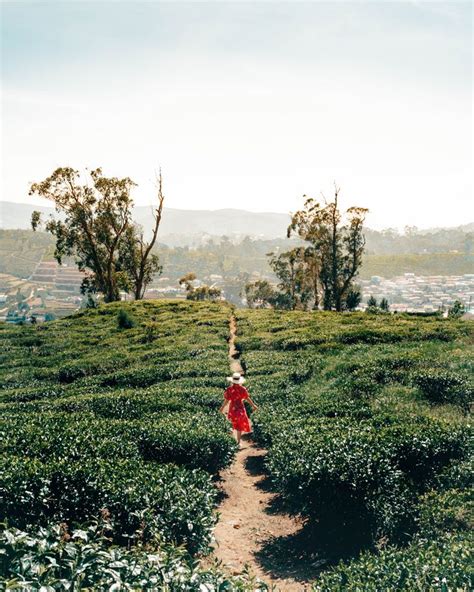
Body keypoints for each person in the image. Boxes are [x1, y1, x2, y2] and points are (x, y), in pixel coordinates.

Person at [220, 371, 258, 446]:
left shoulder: (229, 389)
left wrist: (222, 408)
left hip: (232, 407)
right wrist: (253, 405)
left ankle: (234, 440)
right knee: (239, 425)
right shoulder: (242, 389)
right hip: (240, 407)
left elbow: (227, 400)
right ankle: (238, 441)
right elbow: (247, 398)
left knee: (233, 423)